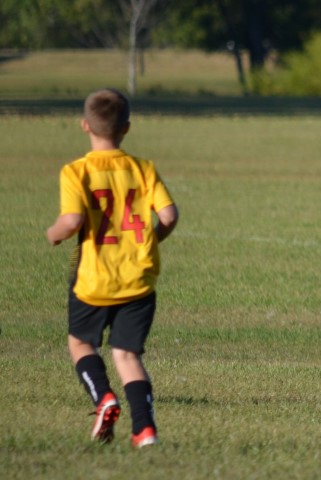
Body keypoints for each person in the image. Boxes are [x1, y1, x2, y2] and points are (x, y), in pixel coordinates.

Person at [47, 88, 179, 445]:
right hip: (139, 280)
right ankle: (145, 430)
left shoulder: (76, 171)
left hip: (94, 279)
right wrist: (154, 239)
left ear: (85, 126)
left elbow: (72, 220)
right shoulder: (143, 169)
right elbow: (169, 215)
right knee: (127, 354)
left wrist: (53, 233)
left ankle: (104, 397)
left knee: (80, 343)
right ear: (127, 128)